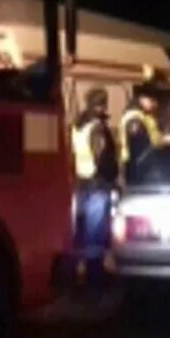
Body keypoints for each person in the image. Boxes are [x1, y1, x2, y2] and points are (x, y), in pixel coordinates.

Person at [72, 87, 119, 286]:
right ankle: (95, 275)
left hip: (80, 182)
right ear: (101, 105)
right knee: (96, 232)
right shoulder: (97, 128)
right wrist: (112, 174)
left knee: (81, 231)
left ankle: (78, 272)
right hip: (98, 183)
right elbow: (102, 156)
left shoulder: (78, 124)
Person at [120, 83, 162, 183]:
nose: (155, 104)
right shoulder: (135, 118)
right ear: (142, 99)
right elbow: (138, 147)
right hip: (139, 170)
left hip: (141, 168)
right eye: (152, 101)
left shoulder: (143, 116)